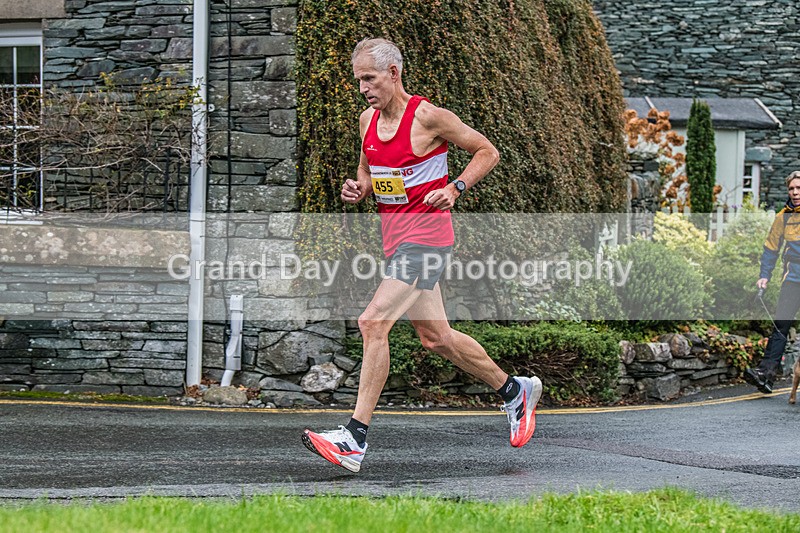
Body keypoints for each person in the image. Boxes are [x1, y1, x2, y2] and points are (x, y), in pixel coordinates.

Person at [301, 38, 543, 473]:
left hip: (429, 239)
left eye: (369, 79)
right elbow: (368, 169)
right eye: (358, 80)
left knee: (372, 321)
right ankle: (514, 391)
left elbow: (487, 151)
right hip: (396, 241)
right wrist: (359, 187)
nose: (363, 88)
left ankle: (353, 439)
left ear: (394, 74)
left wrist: (455, 187)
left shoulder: (429, 117)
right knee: (437, 339)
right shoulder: (367, 121)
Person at [743, 170, 800, 394]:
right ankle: (765, 375)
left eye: (799, 188)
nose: (795, 193)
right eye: (791, 189)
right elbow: (770, 249)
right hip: (792, 281)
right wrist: (764, 275)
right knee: (780, 327)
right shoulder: (782, 217)